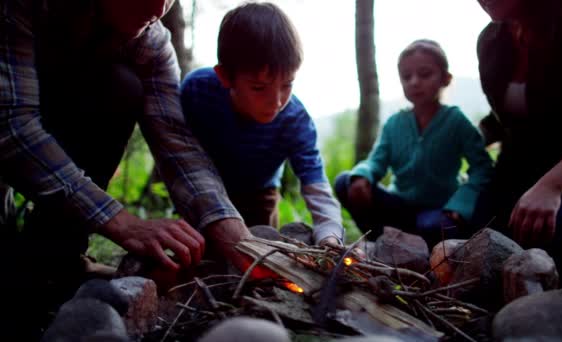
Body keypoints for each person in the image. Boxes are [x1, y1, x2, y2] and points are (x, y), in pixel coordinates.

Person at [0, 0, 256, 338]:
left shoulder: (152, 42)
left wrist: (240, 240)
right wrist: (122, 222)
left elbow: (177, 145)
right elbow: (12, 126)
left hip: (53, 118)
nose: (161, 6)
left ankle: (54, 259)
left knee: (120, 86)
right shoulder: (25, 6)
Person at [181, 2, 344, 246]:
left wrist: (330, 233)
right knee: (203, 252)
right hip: (203, 186)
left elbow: (314, 181)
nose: (277, 101)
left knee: (260, 250)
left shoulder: (295, 120)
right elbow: (178, 151)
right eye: (259, 87)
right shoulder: (198, 91)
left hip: (260, 194)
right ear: (225, 76)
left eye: (287, 84)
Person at [472, 0, 562, 284]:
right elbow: (509, 117)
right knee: (481, 230)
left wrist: (552, 186)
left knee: (558, 232)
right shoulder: (491, 42)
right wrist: (470, 139)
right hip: (523, 164)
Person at [334, 40, 493, 247]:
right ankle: (381, 241)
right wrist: (363, 176)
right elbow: (376, 161)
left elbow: (482, 168)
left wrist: (461, 205)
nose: (414, 82)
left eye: (425, 74)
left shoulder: (456, 122)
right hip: (399, 207)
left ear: (445, 78)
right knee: (346, 182)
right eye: (406, 76)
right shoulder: (394, 124)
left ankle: (411, 245)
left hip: (440, 210)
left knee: (433, 226)